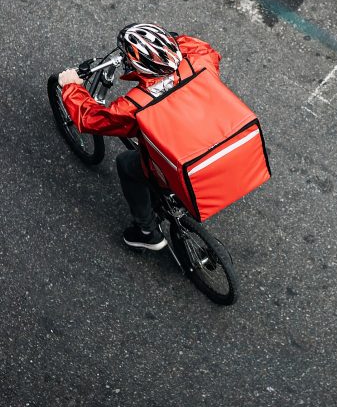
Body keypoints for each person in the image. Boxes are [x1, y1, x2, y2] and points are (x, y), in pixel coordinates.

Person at [58, 23, 221, 250]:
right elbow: (203, 48)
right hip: (216, 136)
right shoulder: (201, 61)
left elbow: (91, 119)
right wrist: (171, 44)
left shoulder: (136, 105)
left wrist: (72, 87)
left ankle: (146, 232)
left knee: (127, 164)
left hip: (180, 156)